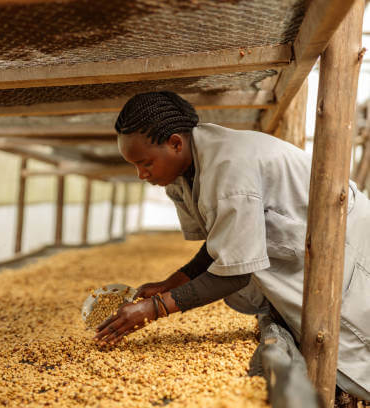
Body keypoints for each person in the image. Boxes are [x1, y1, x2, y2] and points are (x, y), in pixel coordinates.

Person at [93, 91, 370, 401]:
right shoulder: (185, 171)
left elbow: (234, 273)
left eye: (145, 163)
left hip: (347, 250)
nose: (141, 174)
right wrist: (172, 282)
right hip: (309, 256)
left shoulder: (229, 167)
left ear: (175, 143)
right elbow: (223, 239)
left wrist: (155, 308)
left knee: (355, 348)